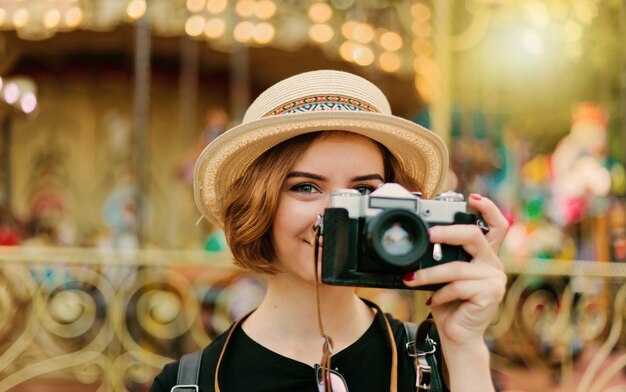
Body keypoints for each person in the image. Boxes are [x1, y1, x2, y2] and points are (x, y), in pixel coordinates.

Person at [150, 70, 509, 391]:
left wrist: (464, 346)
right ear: (260, 204)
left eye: (364, 191)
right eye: (306, 187)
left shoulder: (433, 362)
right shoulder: (188, 383)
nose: (335, 213)